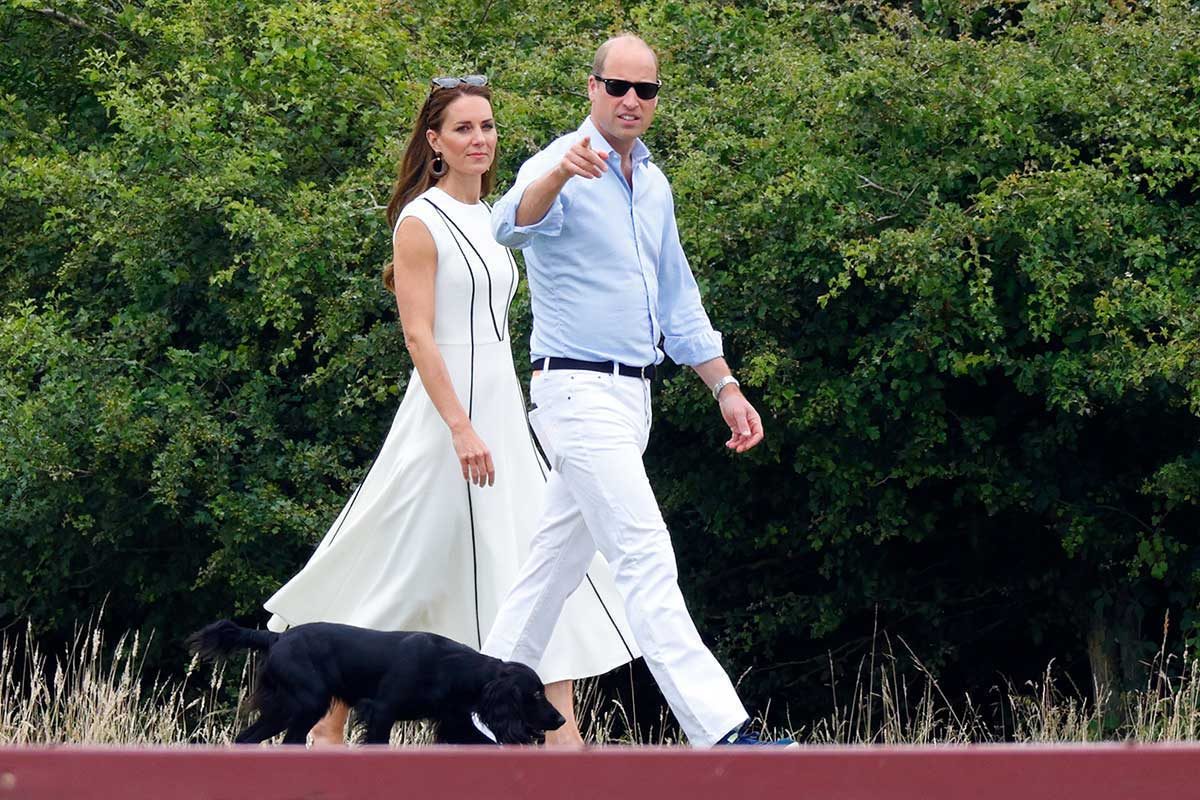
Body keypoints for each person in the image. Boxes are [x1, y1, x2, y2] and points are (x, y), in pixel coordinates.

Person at [262, 75, 638, 747]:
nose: (480, 140)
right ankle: (325, 729)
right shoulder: (420, 220)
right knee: (403, 564)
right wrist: (460, 426)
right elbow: (418, 334)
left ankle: (565, 742)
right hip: (446, 417)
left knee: (534, 562)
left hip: (503, 409)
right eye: (464, 128)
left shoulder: (495, 216)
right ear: (434, 142)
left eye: (488, 127)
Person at [481, 34, 793, 747]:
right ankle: (724, 733)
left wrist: (725, 386)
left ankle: (477, 713)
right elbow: (508, 224)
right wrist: (560, 174)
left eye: (644, 91)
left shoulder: (653, 184)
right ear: (591, 88)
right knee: (645, 557)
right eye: (617, 86)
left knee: (548, 573)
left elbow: (678, 300)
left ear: (655, 100)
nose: (630, 101)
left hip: (632, 400)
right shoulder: (562, 161)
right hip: (575, 392)